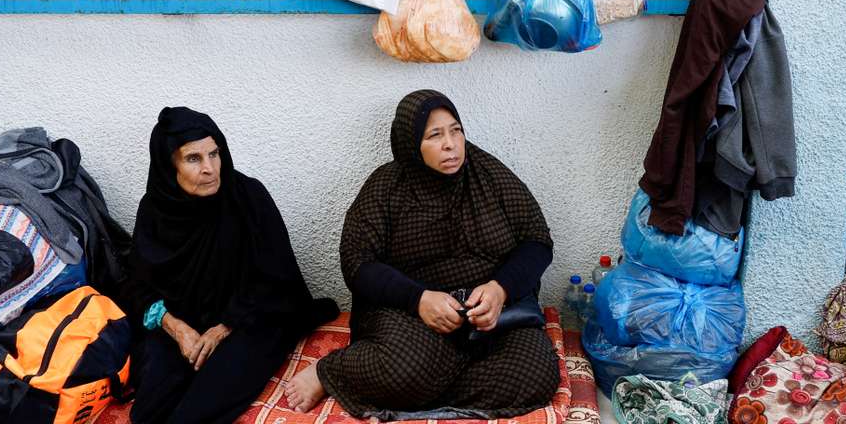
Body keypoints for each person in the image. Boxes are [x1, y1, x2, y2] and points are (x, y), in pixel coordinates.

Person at [285, 90, 559, 418]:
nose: (451, 144)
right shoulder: (386, 186)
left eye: (456, 130)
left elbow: (537, 241)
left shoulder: (488, 174)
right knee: (406, 367)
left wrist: (500, 290)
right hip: (411, 319)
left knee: (535, 373)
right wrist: (418, 299)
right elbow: (357, 263)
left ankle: (416, 388)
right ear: (411, 142)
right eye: (435, 135)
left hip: (491, 317)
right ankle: (331, 371)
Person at [129, 107, 337, 424]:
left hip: (250, 319)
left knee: (195, 414)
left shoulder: (247, 198)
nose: (210, 168)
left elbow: (277, 279)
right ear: (168, 165)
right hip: (183, 321)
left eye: (214, 154)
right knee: (147, 411)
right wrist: (177, 329)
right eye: (193, 158)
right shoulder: (154, 212)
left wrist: (223, 328)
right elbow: (139, 285)